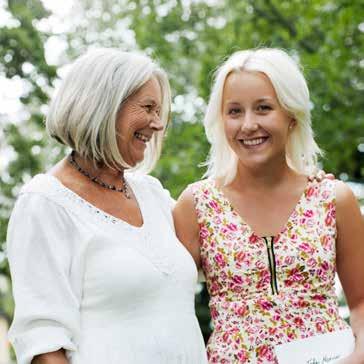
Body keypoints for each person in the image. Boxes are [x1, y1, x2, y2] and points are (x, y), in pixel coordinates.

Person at [6, 48, 208, 364]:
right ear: (103, 106)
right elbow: (43, 342)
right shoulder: (44, 202)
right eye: (148, 108)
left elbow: (223, 248)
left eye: (159, 111)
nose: (158, 124)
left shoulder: (151, 194)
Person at [173, 48, 364, 363]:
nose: (248, 125)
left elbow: (360, 303)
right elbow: (164, 305)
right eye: (234, 111)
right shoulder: (196, 205)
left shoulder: (333, 198)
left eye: (263, 108)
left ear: (291, 115)